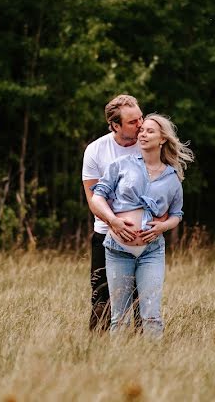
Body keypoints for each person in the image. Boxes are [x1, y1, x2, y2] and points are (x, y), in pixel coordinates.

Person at [88, 113, 193, 338]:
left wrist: (163, 227)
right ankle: (120, 367)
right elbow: (97, 197)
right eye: (142, 130)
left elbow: (177, 214)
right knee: (119, 317)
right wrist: (114, 221)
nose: (143, 134)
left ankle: (153, 366)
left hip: (151, 252)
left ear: (163, 139)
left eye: (149, 131)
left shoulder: (172, 177)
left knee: (151, 315)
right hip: (118, 251)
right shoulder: (120, 165)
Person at [82, 94, 144, 331]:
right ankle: (96, 353)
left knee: (144, 300)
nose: (140, 125)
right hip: (106, 235)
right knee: (101, 299)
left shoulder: (149, 143)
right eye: (132, 122)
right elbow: (93, 199)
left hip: (143, 236)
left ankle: (147, 354)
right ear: (115, 125)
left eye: (141, 118)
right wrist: (114, 222)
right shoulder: (96, 150)